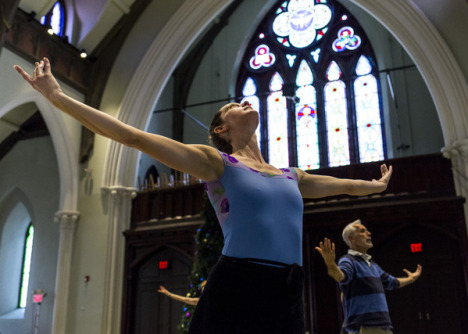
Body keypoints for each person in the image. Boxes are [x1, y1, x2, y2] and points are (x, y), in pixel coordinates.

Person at [14, 58, 393, 334]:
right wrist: (59, 99)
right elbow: (133, 136)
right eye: (233, 106)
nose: (244, 103)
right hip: (239, 281)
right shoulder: (216, 162)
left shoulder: (290, 175)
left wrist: (376, 186)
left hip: (288, 286)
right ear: (221, 128)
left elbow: (343, 185)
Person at [315, 220, 422, 334]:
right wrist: (331, 263)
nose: (368, 233)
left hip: (383, 325)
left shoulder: (373, 265)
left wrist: (411, 279)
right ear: (351, 238)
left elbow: (392, 282)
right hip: (365, 326)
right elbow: (341, 277)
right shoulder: (348, 260)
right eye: (362, 231)